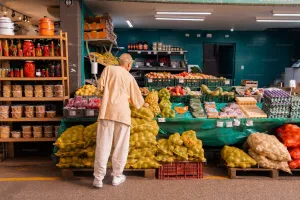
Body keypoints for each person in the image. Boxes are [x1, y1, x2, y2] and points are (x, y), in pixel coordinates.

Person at [93, 53, 144, 188]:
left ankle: (98, 178)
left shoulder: (108, 69)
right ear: (128, 64)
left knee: (103, 145)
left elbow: (100, 89)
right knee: (121, 146)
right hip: (122, 115)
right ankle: (116, 176)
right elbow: (138, 101)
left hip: (106, 112)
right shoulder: (130, 77)